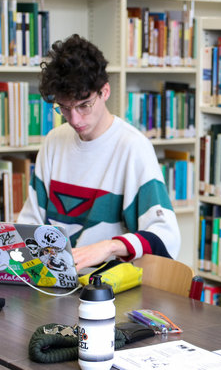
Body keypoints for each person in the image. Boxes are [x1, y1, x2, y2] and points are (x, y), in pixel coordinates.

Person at [18, 34, 181, 271]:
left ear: (105, 92)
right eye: (64, 108)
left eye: (84, 105)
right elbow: (29, 224)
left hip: (106, 289)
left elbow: (166, 236)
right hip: (54, 282)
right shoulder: (54, 141)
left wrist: (108, 247)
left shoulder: (132, 147)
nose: (74, 119)